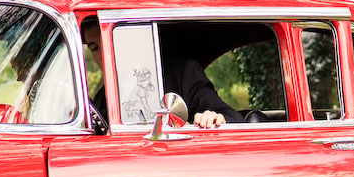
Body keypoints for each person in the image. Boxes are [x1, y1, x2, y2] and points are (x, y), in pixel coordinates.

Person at [82, 21, 242, 128]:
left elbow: (231, 116)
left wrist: (213, 117)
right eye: (95, 48)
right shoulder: (103, 97)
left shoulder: (184, 74)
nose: (104, 54)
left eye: (110, 42)